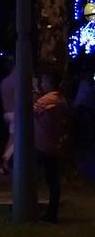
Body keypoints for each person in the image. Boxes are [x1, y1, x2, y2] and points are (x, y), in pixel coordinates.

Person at [34, 72, 71, 224]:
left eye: (43, 81)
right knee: (53, 180)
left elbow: (29, 110)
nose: (41, 84)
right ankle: (51, 211)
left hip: (43, 145)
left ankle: (50, 213)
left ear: (49, 82)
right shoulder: (61, 100)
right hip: (54, 144)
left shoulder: (48, 100)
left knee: (47, 178)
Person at [0, 59, 17, 175]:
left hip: (6, 113)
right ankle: (5, 159)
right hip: (16, 114)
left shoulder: (4, 82)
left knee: (13, 138)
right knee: (17, 139)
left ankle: (5, 162)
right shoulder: (18, 81)